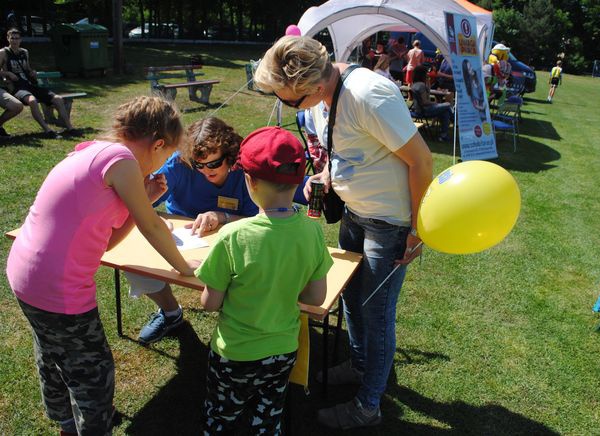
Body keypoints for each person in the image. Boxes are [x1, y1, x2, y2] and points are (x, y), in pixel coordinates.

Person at [254, 35, 433, 430]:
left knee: (377, 313)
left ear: (316, 87)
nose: (285, 107)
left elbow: (421, 160)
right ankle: (361, 364)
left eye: (289, 101)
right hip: (355, 215)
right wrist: (326, 175)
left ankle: (369, 405)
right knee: (350, 299)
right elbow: (349, 150)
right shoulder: (322, 99)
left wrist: (418, 230)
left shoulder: (370, 95)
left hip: (389, 222)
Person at [6, 95, 196, 435]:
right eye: (166, 156)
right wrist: (185, 268)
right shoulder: (122, 160)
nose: (160, 165)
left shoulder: (95, 150)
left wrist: (147, 197)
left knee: (53, 351)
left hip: (25, 273)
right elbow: (153, 226)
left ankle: (65, 421)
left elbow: (107, 239)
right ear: (158, 144)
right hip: (58, 286)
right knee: (93, 371)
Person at [196, 126, 333, 434]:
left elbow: (210, 303)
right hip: (283, 349)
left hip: (234, 352)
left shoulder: (233, 236)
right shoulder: (311, 230)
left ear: (250, 181)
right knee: (268, 415)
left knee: (222, 415)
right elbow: (315, 297)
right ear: (299, 179)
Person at [126, 117, 258, 344]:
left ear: (230, 156)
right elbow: (141, 202)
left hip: (231, 238)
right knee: (133, 262)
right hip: (183, 236)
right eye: (199, 165)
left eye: (214, 164)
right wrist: (156, 220)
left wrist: (222, 217)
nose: (206, 171)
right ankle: (170, 312)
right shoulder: (180, 164)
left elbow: (259, 219)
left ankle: (242, 322)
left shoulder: (244, 171)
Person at [0, 28, 75, 138]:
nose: (14, 41)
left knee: (58, 99)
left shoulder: (24, 52)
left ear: (21, 40)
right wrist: (8, 73)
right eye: (12, 38)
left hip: (29, 85)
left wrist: (32, 72)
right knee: (33, 100)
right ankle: (48, 130)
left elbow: (27, 68)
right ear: (8, 39)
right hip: (16, 87)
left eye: (17, 38)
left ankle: (70, 128)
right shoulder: (3, 53)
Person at [411, 65, 452, 141]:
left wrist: (428, 82)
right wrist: (436, 104)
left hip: (419, 110)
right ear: (423, 74)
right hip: (424, 111)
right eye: (426, 73)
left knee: (445, 112)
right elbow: (425, 102)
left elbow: (427, 94)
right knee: (447, 105)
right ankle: (444, 133)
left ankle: (444, 135)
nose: (428, 74)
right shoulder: (421, 85)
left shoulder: (414, 84)